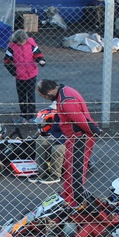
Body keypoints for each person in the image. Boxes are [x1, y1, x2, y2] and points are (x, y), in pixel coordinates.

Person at [36, 80, 99, 210]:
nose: (46, 98)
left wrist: (95, 131)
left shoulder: (66, 100)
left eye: (44, 96)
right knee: (70, 168)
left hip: (79, 137)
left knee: (75, 171)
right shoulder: (64, 92)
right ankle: (68, 197)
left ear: (49, 91)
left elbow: (81, 120)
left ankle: (76, 202)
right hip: (74, 137)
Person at [4, 29, 46, 121]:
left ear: (26, 39)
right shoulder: (12, 46)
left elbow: (38, 55)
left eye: (23, 41)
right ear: (16, 40)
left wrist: (41, 61)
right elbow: (6, 61)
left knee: (31, 95)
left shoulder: (31, 43)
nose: (22, 43)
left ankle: (31, 115)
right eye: (20, 42)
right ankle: (23, 115)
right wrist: (14, 72)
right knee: (21, 95)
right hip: (20, 76)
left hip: (31, 74)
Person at [34, 104, 65, 185]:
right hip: (58, 139)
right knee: (40, 140)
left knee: (57, 149)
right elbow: (54, 132)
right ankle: (42, 172)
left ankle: (55, 175)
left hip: (69, 141)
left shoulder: (72, 115)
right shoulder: (58, 116)